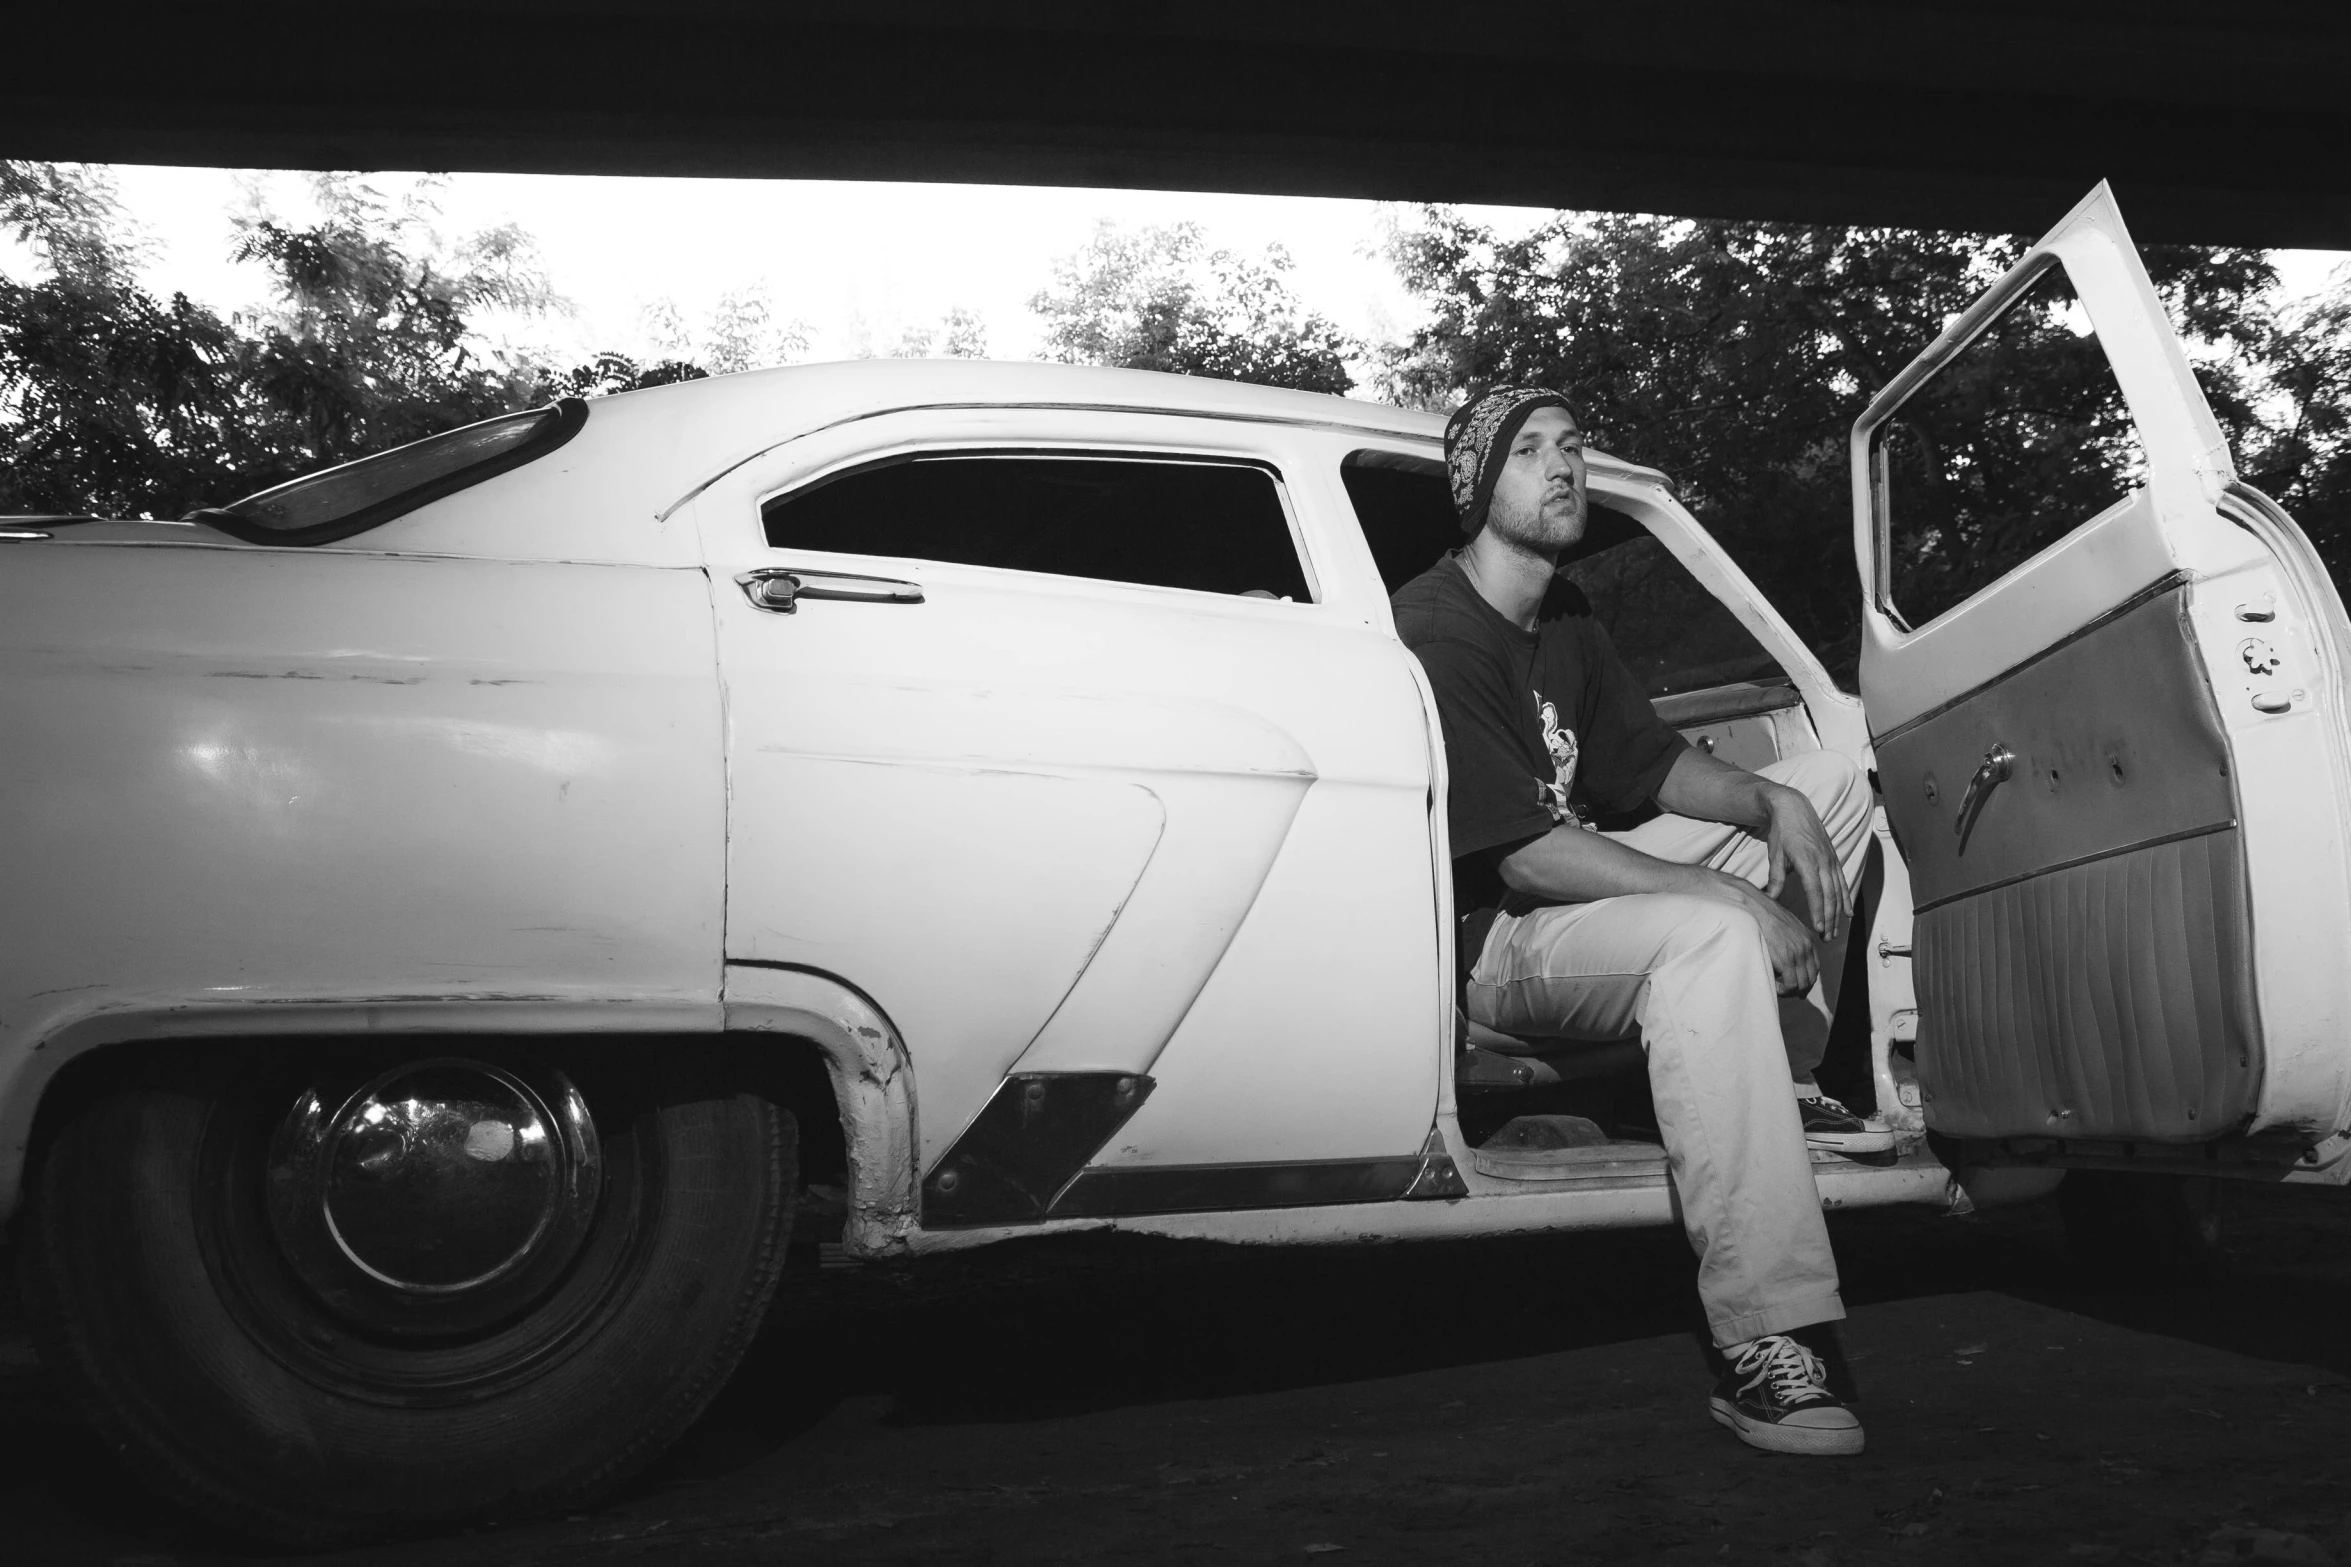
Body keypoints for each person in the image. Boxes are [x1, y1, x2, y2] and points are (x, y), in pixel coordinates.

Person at [1392, 385, 1887, 1457]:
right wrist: (1728, 893)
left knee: (1833, 781)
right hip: (1492, 943)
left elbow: (1650, 764)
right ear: (1477, 486)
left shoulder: (1564, 615)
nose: (1561, 467)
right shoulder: (1435, 627)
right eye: (1528, 452)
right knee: (1711, 930)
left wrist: (1772, 802)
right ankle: (1766, 1337)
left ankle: (1779, 1080)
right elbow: (1518, 851)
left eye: (1570, 446)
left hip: (1574, 911)